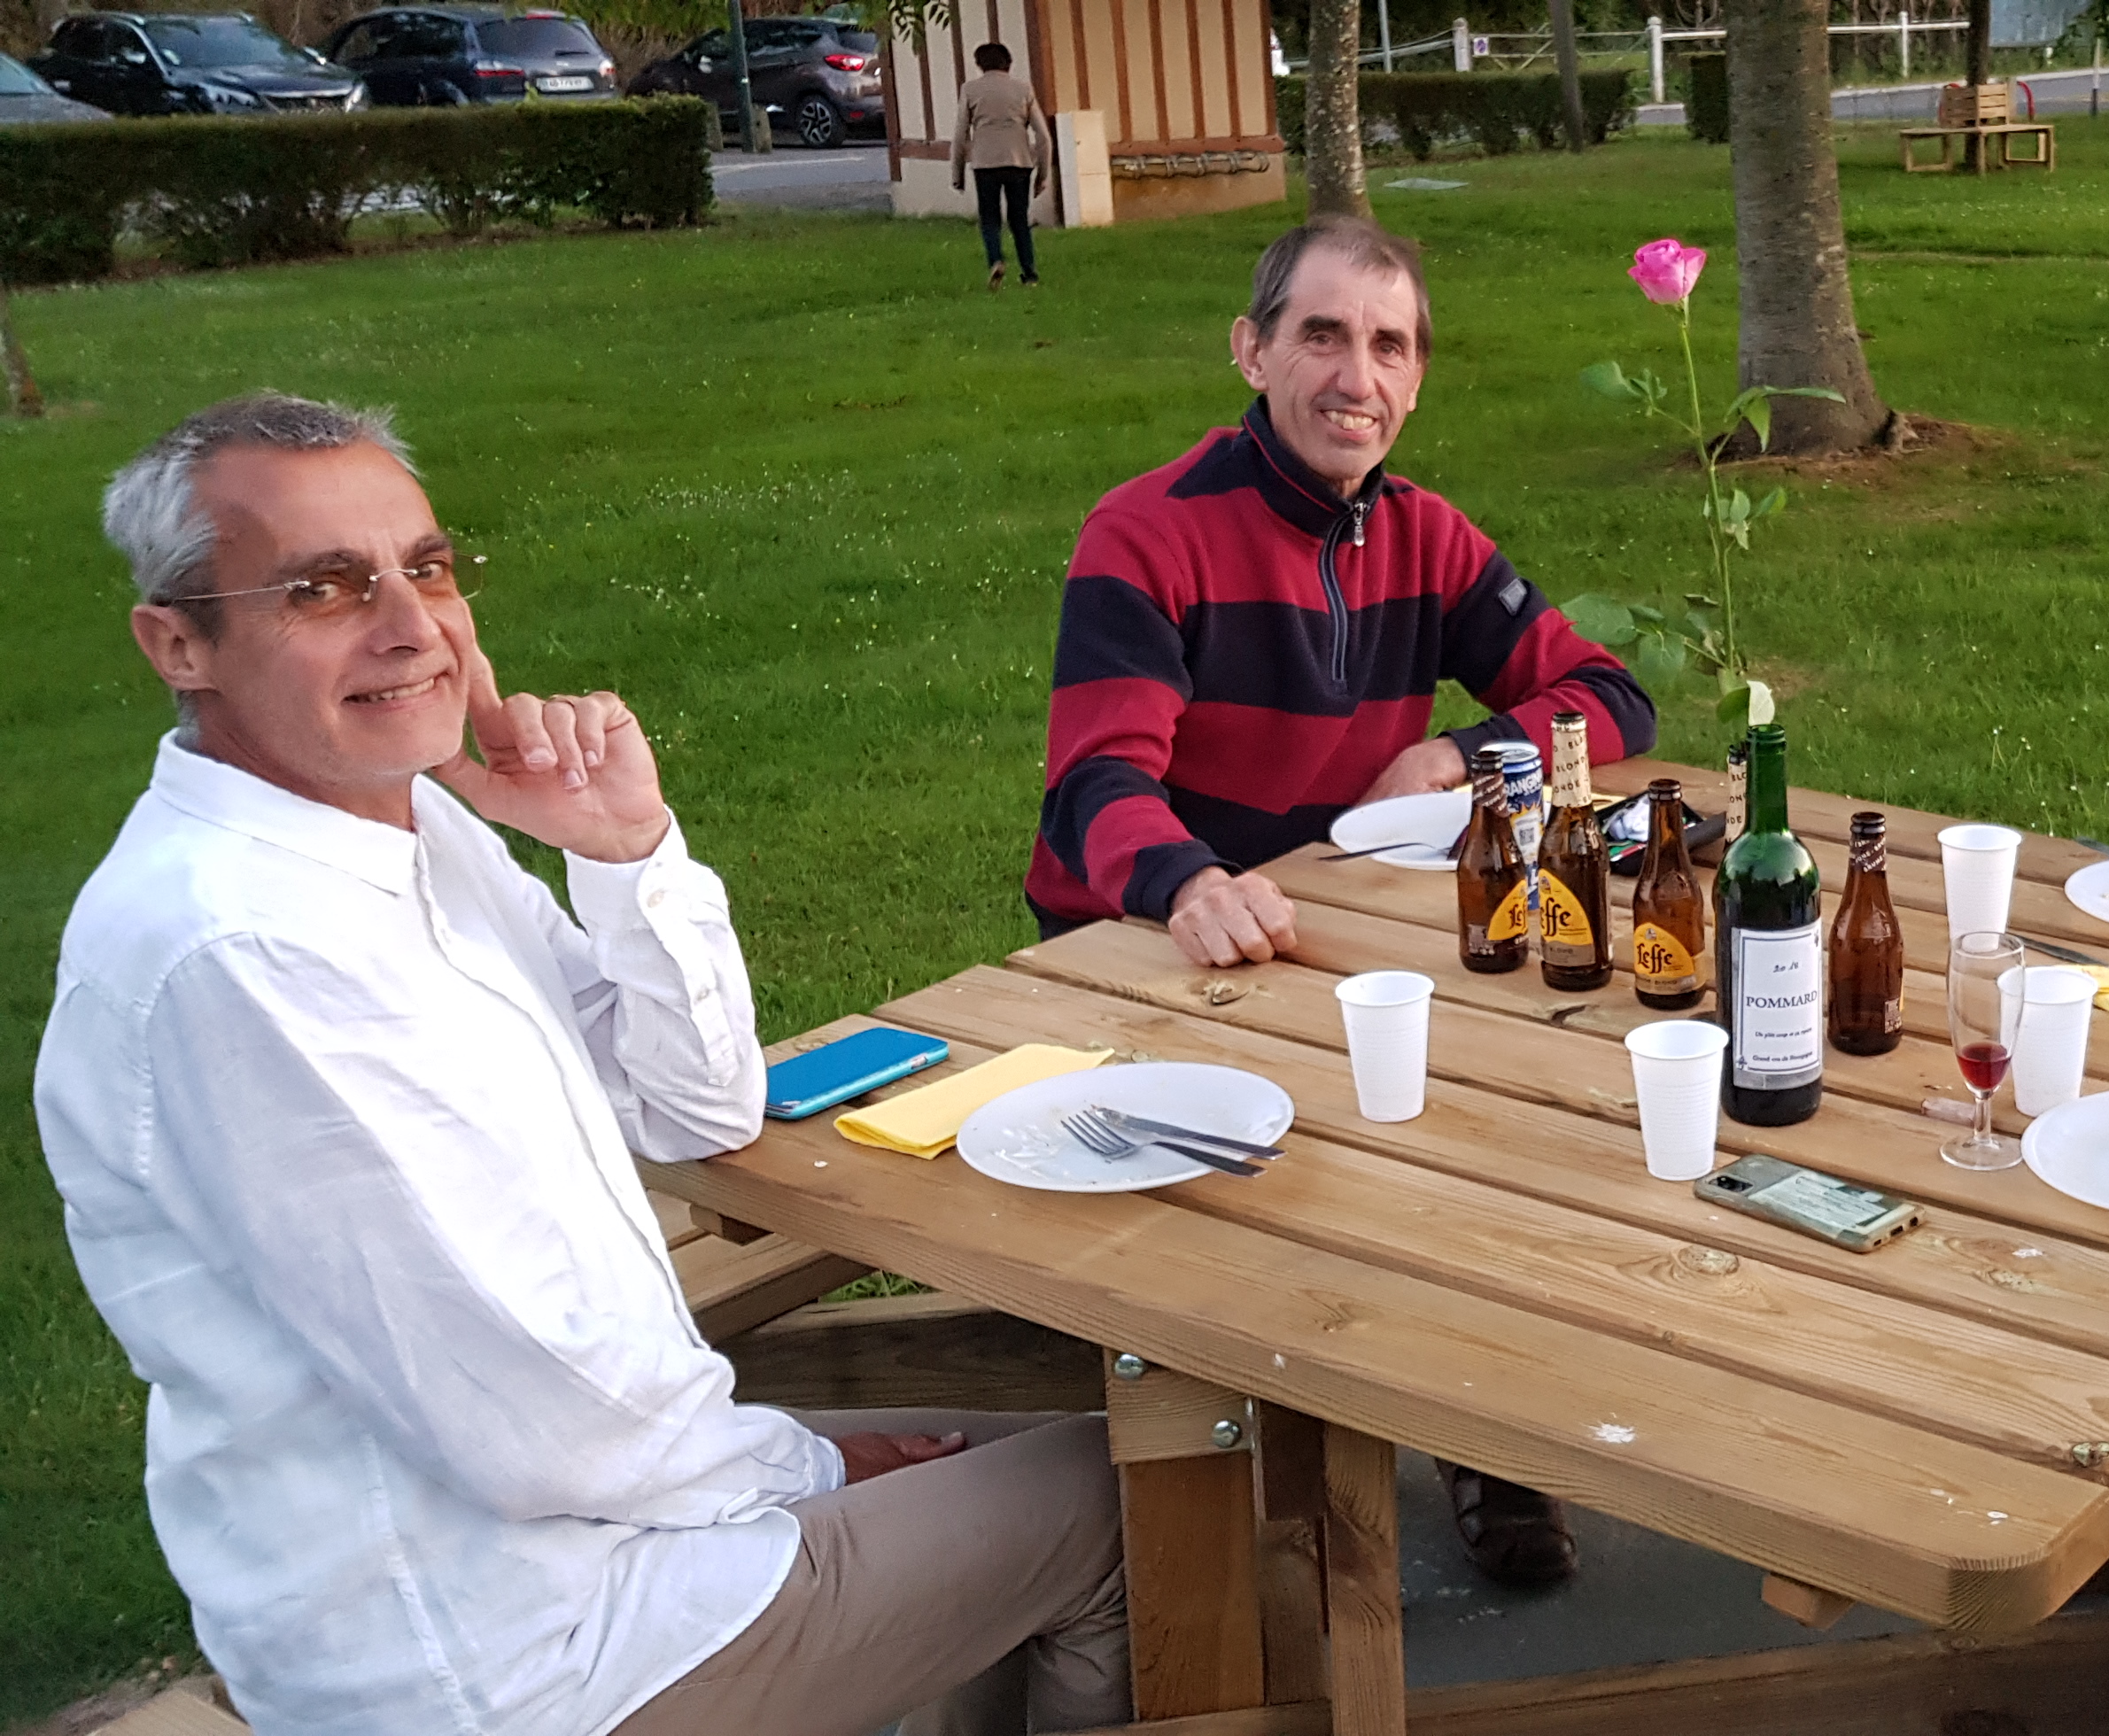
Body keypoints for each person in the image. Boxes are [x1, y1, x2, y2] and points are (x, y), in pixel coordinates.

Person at [40, 393, 1130, 1736]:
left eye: (428, 568)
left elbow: (695, 1104)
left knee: (1084, 1464)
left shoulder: (401, 830)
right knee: (1135, 1495)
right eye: (324, 588)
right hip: (508, 1653)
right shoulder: (243, 950)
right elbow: (525, 1421)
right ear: (179, 642)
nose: (412, 626)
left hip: (584, 1528)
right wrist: (800, 1468)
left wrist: (625, 854)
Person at [1025, 214, 1655, 1585]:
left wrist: (1463, 752)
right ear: (1252, 353)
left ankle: (1480, 1418)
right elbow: (1095, 781)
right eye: (1321, 335)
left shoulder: (1426, 536)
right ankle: (1244, 1470)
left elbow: (1610, 695)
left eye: (1387, 345)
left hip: (1332, 926)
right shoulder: (1146, 532)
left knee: (1520, 1090)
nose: (1354, 377)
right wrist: (1188, 883)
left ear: (1416, 380)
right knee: (1346, 1158)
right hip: (1139, 944)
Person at [952, 42, 1049, 290]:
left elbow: (960, 135)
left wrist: (957, 174)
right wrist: (1043, 175)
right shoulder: (1023, 89)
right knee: (1019, 220)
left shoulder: (970, 90)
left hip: (985, 164)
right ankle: (1029, 274)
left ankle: (996, 260)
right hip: (1019, 162)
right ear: (1009, 63)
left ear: (979, 64)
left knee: (990, 219)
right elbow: (1043, 137)